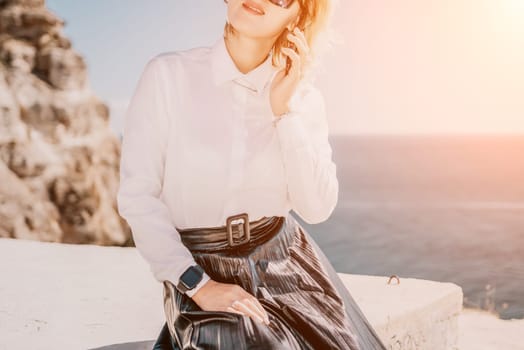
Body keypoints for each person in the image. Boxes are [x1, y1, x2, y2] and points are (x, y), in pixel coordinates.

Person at [117, 0, 388, 349]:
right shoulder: (168, 76)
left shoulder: (303, 99)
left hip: (286, 261)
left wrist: (284, 113)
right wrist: (199, 285)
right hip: (200, 265)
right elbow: (138, 198)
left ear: (299, 15)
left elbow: (317, 207)